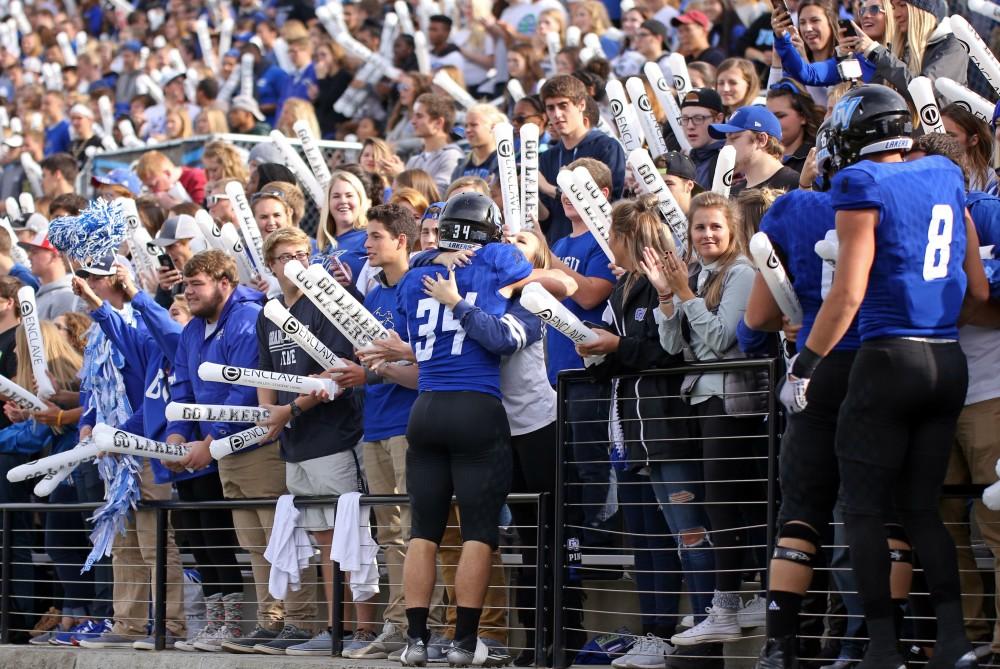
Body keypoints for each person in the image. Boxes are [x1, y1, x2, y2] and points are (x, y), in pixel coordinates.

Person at [789, 84, 988, 669]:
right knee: (922, 510)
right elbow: (976, 289)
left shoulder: (861, 183)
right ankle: (953, 643)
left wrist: (806, 365)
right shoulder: (945, 173)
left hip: (888, 359)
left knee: (866, 511)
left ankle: (881, 648)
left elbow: (848, 292)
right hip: (948, 359)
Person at [386, 193, 534, 667]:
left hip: (425, 407)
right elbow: (527, 284)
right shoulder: (497, 258)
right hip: (475, 405)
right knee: (477, 532)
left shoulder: (415, 276)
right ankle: (466, 643)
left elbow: (413, 328)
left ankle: (415, 641)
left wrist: (430, 257)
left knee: (424, 532)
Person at [577, 195, 714, 668]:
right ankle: (655, 634)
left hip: (668, 430)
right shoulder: (621, 289)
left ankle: (704, 635)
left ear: (626, 238)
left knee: (688, 537)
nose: (606, 243)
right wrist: (597, 356)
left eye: (611, 236)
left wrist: (616, 346)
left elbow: (667, 353)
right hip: (630, 436)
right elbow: (622, 358)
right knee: (648, 544)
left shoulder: (666, 282)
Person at [163, 250, 316, 654]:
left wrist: (210, 440)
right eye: (185, 284)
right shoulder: (193, 330)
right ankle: (269, 621)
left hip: (256, 445)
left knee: (279, 536)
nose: (188, 292)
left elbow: (244, 390)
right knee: (252, 542)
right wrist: (178, 435)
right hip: (224, 452)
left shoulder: (248, 317)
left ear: (224, 283)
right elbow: (182, 387)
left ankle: (295, 622)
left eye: (197, 284)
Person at [648, 191, 764, 653]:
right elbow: (675, 346)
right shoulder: (694, 275)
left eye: (716, 226)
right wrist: (665, 296)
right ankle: (737, 600)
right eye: (700, 228)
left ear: (732, 230)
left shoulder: (740, 273)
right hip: (701, 401)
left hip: (732, 402)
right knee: (726, 501)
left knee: (724, 501)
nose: (708, 234)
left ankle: (727, 604)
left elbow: (720, 340)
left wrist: (684, 294)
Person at [254, 227, 364, 654]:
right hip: (294, 440)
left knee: (348, 535)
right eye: (285, 257)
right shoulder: (270, 312)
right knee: (322, 540)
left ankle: (363, 631)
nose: (295, 264)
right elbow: (264, 370)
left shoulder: (326, 304)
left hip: (333, 435)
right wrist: (269, 415)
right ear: (271, 265)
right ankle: (335, 631)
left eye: (303, 254)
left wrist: (291, 409)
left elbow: (335, 370)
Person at [70, 255, 187, 650]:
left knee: (155, 540)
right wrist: (89, 423)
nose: (91, 283)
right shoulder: (113, 332)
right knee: (124, 542)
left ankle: (170, 624)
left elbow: (149, 392)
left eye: (97, 278)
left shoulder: (155, 333)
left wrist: (121, 434)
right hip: (115, 452)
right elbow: (96, 378)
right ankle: (129, 623)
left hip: (147, 448)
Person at [538, 75, 626, 243]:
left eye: (563, 105)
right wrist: (529, 191)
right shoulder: (548, 156)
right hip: (558, 246)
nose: (557, 114)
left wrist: (549, 188)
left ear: (581, 105)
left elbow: (608, 204)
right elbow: (547, 216)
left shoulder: (606, 146)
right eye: (550, 108)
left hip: (598, 245)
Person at [709, 106, 800, 196]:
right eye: (726, 139)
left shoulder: (797, 186)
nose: (726, 146)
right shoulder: (732, 194)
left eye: (734, 138)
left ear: (761, 140)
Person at [398, 94, 465, 195]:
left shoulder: (451, 156)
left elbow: (438, 196)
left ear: (438, 123)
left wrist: (400, 176)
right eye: (414, 115)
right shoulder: (414, 160)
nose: (413, 121)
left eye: (419, 116)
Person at [766, 79, 824, 175]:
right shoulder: (757, 155)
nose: (772, 123)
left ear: (803, 117)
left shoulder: (817, 158)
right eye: (768, 117)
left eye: (780, 116)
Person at [17, 231, 79, 318]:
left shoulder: (66, 296)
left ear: (54, 255)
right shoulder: (42, 294)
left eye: (34, 252)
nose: (29, 257)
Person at [678, 89, 727, 190]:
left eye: (698, 118)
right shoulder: (684, 159)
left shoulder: (729, 160)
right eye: (685, 119)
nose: (690, 126)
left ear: (718, 119)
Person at [135, 151, 208, 207]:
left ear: (167, 173)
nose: (153, 191)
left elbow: (202, 214)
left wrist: (172, 205)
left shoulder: (196, 177)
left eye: (154, 185)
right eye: (148, 187)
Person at [452, 104, 503, 182]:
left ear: (492, 127)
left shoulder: (504, 164)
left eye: (474, 125)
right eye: (466, 126)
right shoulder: (460, 167)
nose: (468, 130)